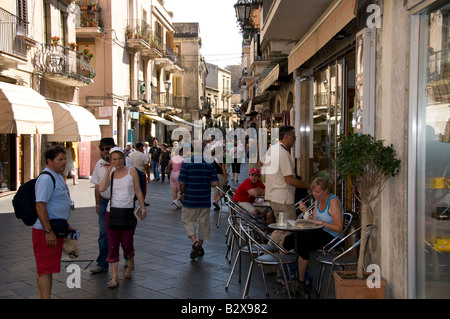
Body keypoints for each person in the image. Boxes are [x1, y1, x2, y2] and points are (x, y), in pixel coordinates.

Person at [99, 147, 147, 288]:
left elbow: (138, 191)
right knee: (112, 244)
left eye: (119, 158)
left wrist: (143, 208)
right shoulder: (111, 174)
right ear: (111, 161)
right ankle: (114, 277)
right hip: (112, 212)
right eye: (114, 159)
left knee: (126, 242)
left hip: (128, 213)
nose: (117, 161)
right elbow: (102, 188)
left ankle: (130, 260)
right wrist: (107, 172)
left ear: (124, 158)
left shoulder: (131, 171)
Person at [283, 177, 343, 290]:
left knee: (303, 242)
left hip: (332, 237)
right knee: (289, 239)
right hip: (318, 231)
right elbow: (313, 221)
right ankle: (291, 274)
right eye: (313, 191)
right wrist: (306, 212)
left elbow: (339, 228)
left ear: (325, 190)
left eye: (317, 192)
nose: (315, 194)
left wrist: (322, 223)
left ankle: (301, 281)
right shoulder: (318, 200)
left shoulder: (333, 201)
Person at [33, 146, 72, 298]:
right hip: (46, 231)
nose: (64, 162)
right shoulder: (46, 178)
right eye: (60, 160)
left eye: (64, 159)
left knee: (45, 268)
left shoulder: (56, 175)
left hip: (55, 227)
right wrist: (48, 231)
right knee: (45, 269)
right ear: (49, 161)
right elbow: (40, 205)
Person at [263, 125, 310, 247]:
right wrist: (308, 186)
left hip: (273, 196)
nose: (295, 140)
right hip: (283, 198)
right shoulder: (283, 153)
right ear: (286, 137)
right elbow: (289, 179)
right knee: (287, 229)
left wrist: (269, 181)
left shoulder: (272, 149)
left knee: (282, 228)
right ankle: (269, 253)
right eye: (293, 137)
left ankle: (277, 254)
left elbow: (260, 163)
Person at [178, 141, 219, 259]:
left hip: (190, 198)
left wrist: (182, 192)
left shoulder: (186, 163)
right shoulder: (210, 163)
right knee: (204, 223)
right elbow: (215, 182)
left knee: (187, 220)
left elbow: (181, 182)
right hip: (204, 199)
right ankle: (199, 246)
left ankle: (194, 242)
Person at [89, 137, 115, 274]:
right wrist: (97, 204)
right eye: (102, 148)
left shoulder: (122, 161)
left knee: (123, 233)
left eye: (108, 148)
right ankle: (102, 263)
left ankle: (129, 259)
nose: (105, 151)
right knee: (103, 233)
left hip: (120, 202)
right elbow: (97, 186)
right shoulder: (99, 164)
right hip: (105, 201)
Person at [129, 142, 150, 206]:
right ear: (140, 147)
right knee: (143, 189)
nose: (143, 148)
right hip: (141, 174)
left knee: (132, 188)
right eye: (142, 147)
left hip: (131, 173)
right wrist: (148, 176)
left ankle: (132, 201)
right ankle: (142, 202)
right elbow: (146, 167)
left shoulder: (130, 155)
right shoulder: (143, 156)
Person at [212, 146, 228, 210]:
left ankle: (216, 206)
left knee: (215, 191)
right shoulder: (222, 158)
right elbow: (223, 169)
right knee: (224, 190)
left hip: (213, 176)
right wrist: (226, 177)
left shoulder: (212, 158)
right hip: (220, 176)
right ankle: (216, 201)